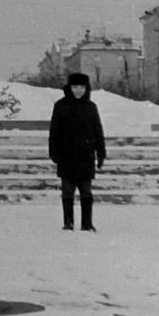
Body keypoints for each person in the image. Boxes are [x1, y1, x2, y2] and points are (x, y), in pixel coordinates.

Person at [49, 72, 106, 232]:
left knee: (86, 192)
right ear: (69, 87)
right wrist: (53, 152)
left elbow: (98, 131)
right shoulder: (60, 106)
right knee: (67, 191)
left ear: (86, 88)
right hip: (66, 156)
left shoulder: (91, 107)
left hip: (86, 155)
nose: (78, 90)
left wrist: (101, 153)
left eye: (81, 87)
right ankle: (68, 222)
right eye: (75, 87)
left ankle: (87, 224)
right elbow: (54, 131)